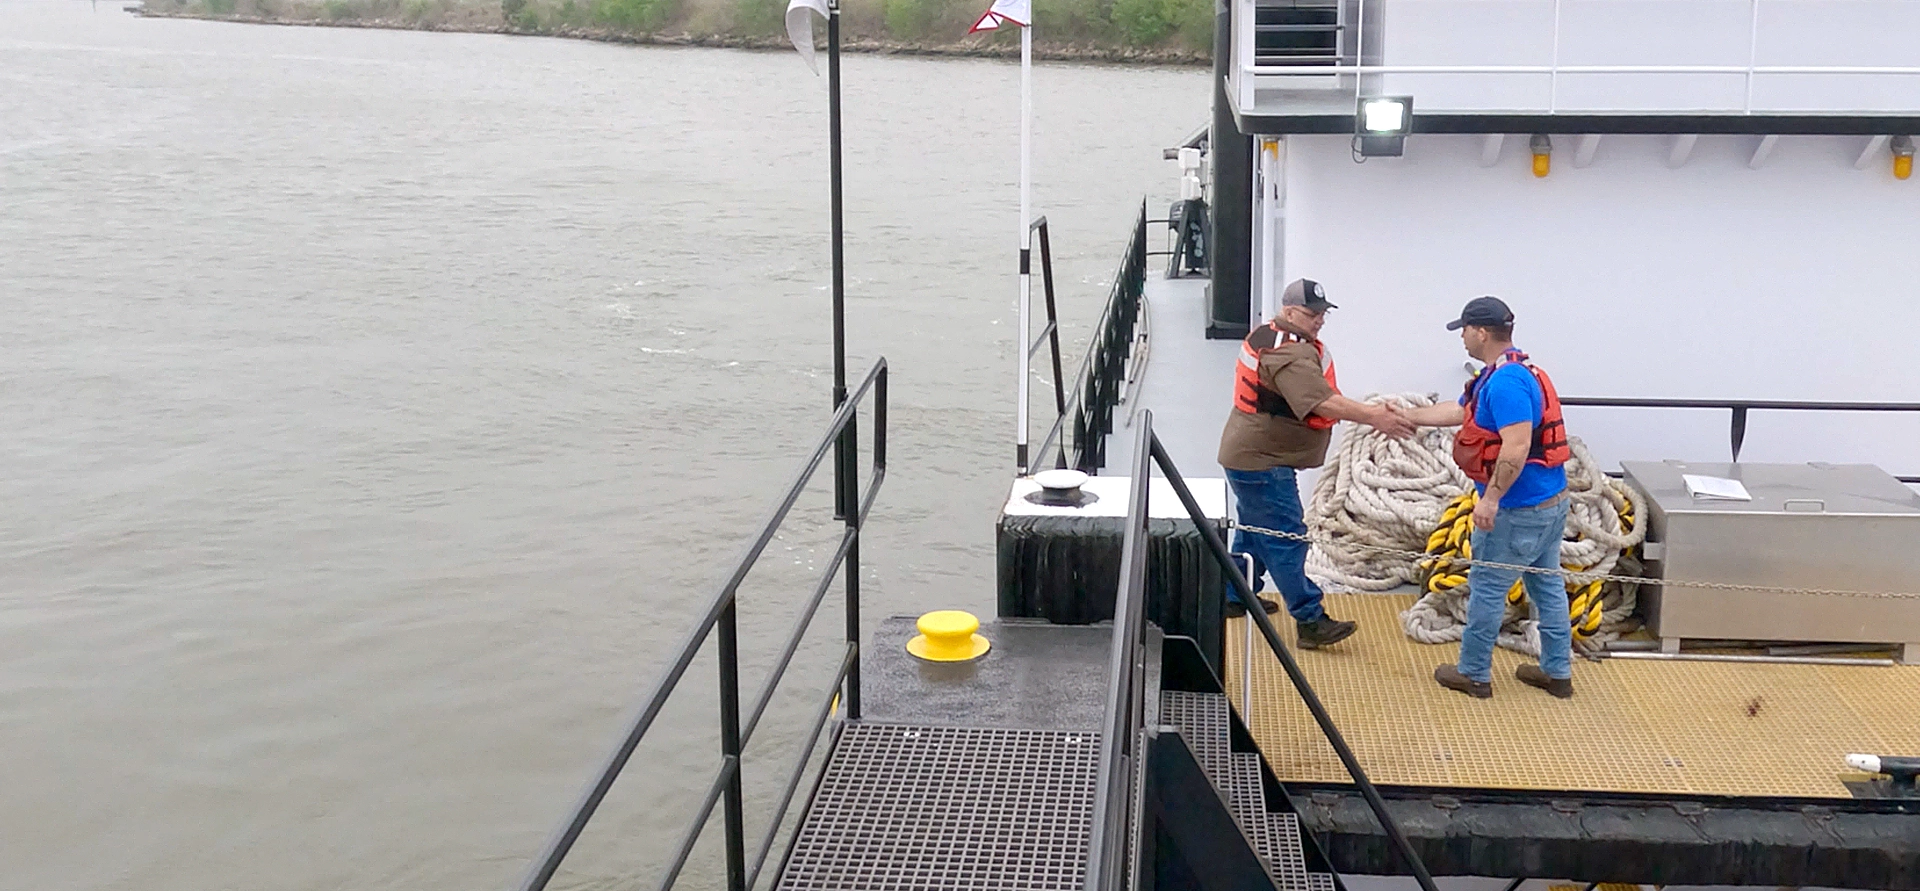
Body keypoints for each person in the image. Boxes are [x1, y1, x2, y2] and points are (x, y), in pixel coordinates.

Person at [1217, 279, 1415, 648]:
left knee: (1257, 530)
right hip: (1263, 461)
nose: (1319, 320)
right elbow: (1320, 402)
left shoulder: (1272, 336)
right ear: (1289, 312)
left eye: (1323, 313)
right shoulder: (1288, 354)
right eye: (1312, 314)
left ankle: (1233, 595)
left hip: (1251, 455)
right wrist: (1375, 416)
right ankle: (1310, 620)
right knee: (1287, 537)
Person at [1395, 296, 1574, 698]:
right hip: (1551, 502)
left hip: (1517, 510)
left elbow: (1515, 446)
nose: (1461, 337)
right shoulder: (1509, 372)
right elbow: (1463, 412)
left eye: (1464, 329)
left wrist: (1490, 499)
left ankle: (1474, 674)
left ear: (1480, 332)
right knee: (1548, 588)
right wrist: (1408, 416)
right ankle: (1557, 673)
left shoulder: (1507, 383)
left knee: (1488, 589)